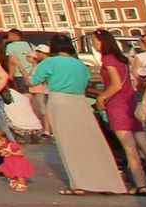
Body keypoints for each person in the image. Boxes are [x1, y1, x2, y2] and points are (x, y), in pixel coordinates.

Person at [24, 33, 120, 195]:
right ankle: (106, 182)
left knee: (68, 144)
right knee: (92, 143)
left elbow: (32, 82)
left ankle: (78, 184)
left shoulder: (50, 62)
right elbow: (85, 83)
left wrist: (22, 68)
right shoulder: (79, 64)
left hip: (59, 100)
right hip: (80, 101)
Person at [90, 30, 146, 194]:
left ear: (102, 42)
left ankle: (140, 183)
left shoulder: (108, 59)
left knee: (129, 146)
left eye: (95, 41)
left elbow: (116, 85)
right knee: (143, 144)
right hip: (130, 102)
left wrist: (102, 97)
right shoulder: (121, 58)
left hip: (117, 104)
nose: (94, 44)